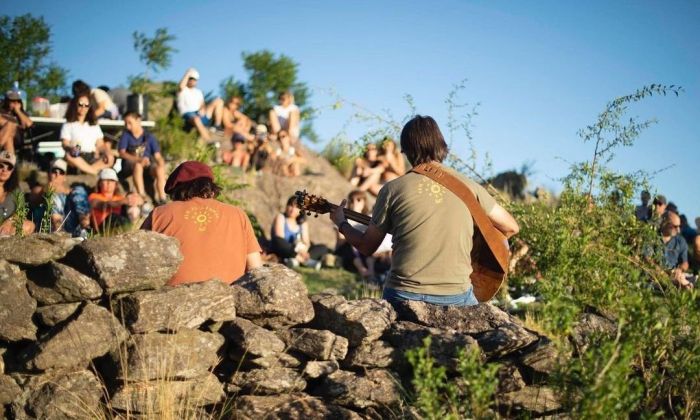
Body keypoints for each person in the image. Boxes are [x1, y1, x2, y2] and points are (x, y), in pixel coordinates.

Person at [331, 115, 519, 307]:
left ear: (405, 151)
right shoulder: (470, 187)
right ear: (442, 147)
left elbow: (367, 246)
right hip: (457, 297)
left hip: (403, 295)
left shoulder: (392, 189)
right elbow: (511, 227)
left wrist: (342, 223)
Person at [141, 161, 262, 285]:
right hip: (229, 300)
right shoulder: (238, 215)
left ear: (176, 191)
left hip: (175, 300)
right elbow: (256, 270)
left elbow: (137, 261)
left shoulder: (159, 214)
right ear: (211, 187)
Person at [118, 112, 167, 204]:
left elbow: (158, 156)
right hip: (131, 165)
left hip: (147, 165)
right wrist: (138, 160)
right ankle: (142, 195)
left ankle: (162, 198)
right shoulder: (126, 135)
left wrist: (161, 166)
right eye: (126, 123)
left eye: (130, 123)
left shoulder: (149, 136)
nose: (127, 126)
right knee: (138, 165)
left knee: (159, 169)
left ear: (138, 120)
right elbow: (122, 153)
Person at [61, 94, 114, 174]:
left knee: (109, 158)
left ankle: (86, 170)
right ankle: (92, 172)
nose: (83, 107)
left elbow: (100, 145)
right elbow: (65, 143)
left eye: (86, 105)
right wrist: (71, 148)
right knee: (69, 156)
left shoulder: (94, 125)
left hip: (92, 156)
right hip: (77, 155)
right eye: (80, 104)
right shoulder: (68, 124)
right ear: (75, 105)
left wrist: (107, 152)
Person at [270, 196, 321, 269]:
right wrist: (297, 250)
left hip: (299, 250)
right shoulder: (280, 217)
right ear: (286, 206)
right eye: (290, 205)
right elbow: (279, 238)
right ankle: (304, 261)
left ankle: (294, 260)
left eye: (296, 207)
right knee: (278, 241)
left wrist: (303, 250)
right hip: (283, 249)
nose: (293, 209)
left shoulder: (302, 222)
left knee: (322, 248)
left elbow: (306, 243)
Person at [177, 68, 224, 142]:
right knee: (196, 119)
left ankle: (217, 126)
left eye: (194, 79)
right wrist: (188, 73)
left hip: (199, 114)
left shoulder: (198, 92)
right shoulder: (183, 90)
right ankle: (209, 141)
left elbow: (202, 104)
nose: (192, 80)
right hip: (188, 115)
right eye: (190, 78)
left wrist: (202, 109)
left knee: (219, 101)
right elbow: (181, 86)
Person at [89, 168, 139, 234]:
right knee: (113, 216)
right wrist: (122, 201)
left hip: (118, 226)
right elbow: (104, 204)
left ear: (116, 184)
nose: (108, 183)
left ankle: (132, 231)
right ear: (99, 183)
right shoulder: (93, 196)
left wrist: (135, 200)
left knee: (133, 209)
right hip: (101, 229)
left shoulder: (120, 198)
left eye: (112, 180)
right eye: (105, 180)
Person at [0, 151, 35, 235]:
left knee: (29, 225)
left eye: (9, 167)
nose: (4, 170)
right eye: (1, 166)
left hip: (5, 230)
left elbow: (21, 212)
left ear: (13, 171)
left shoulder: (16, 190)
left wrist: (9, 221)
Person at [659, 211, 692, 288]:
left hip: (674, 273)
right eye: (675, 226)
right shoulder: (652, 238)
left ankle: (680, 283)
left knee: (679, 276)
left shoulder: (680, 241)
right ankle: (682, 284)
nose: (678, 230)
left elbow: (685, 263)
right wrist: (663, 272)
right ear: (665, 224)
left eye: (679, 226)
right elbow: (647, 259)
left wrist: (679, 269)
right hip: (657, 272)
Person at [0, 91, 33, 155]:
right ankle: (9, 162)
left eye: (17, 101)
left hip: (17, 141)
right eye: (12, 101)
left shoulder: (21, 114)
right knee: (9, 137)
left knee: (11, 127)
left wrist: (18, 111)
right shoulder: (1, 111)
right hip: (5, 137)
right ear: (6, 101)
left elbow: (29, 124)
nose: (15, 103)